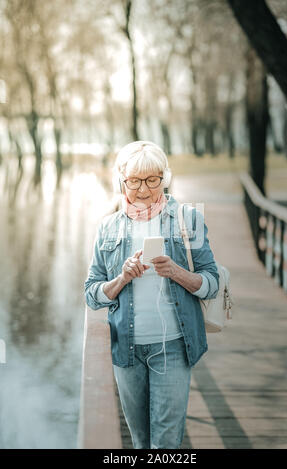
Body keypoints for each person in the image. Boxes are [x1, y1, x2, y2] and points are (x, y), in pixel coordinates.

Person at [84, 141, 219, 449]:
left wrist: (176, 272)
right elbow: (92, 295)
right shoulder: (108, 228)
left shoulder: (188, 220)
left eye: (152, 180)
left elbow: (212, 282)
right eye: (134, 180)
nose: (143, 190)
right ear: (122, 180)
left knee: (166, 443)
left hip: (173, 347)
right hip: (127, 352)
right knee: (141, 442)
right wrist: (121, 278)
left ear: (164, 178)